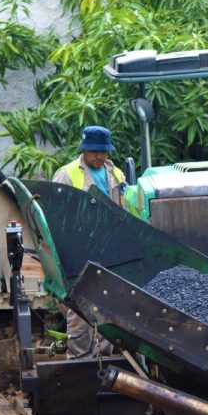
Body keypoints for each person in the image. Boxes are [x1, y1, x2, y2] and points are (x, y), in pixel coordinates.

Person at [51, 126, 126, 358]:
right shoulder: (67, 174)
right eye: (94, 152)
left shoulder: (117, 174)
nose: (100, 157)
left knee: (107, 307)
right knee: (80, 308)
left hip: (110, 250)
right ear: (84, 149)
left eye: (103, 152)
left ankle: (103, 362)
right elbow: (55, 214)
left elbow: (125, 210)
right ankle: (78, 362)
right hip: (80, 251)